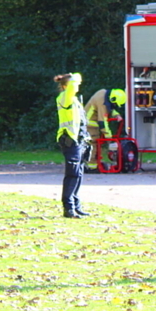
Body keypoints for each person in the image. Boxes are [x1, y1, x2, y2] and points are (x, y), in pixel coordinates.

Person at [54, 72, 90, 218]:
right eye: (72, 85)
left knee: (79, 173)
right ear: (64, 86)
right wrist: (74, 77)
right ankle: (68, 208)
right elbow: (72, 85)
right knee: (72, 173)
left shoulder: (74, 100)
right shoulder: (64, 97)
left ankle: (76, 205)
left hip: (79, 139)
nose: (76, 87)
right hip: (69, 139)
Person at [85, 88, 127, 165]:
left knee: (97, 144)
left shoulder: (104, 95)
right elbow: (102, 122)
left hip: (92, 123)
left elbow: (110, 108)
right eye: (115, 104)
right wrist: (110, 138)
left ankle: (94, 163)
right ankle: (91, 166)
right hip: (89, 125)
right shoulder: (102, 102)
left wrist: (116, 115)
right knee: (93, 144)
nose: (115, 106)